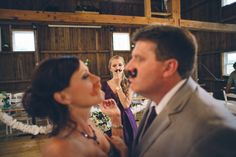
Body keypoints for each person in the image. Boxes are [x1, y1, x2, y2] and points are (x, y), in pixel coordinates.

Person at [125, 25, 236, 157]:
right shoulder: (159, 96)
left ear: (169, 68)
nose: (128, 67)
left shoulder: (212, 132)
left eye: (139, 59)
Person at [22, 56, 127, 157]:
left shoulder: (89, 127)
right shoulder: (61, 150)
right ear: (63, 97)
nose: (97, 79)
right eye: (85, 76)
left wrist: (115, 118)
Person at [101, 55, 137, 150]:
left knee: (130, 148)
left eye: (120, 65)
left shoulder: (129, 83)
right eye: (114, 65)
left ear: (124, 66)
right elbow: (101, 106)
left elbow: (126, 105)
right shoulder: (104, 85)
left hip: (127, 120)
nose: (117, 68)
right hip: (111, 122)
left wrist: (118, 86)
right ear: (110, 68)